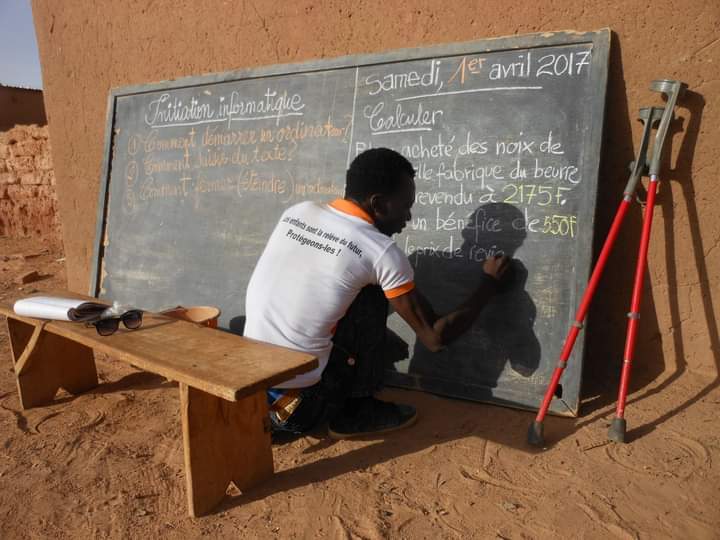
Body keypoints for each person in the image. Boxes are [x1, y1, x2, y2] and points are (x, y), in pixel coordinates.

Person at [244, 148, 509, 439]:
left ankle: (367, 358)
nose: (408, 217)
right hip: (297, 412)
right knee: (372, 293)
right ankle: (356, 411)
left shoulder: (298, 212)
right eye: (405, 206)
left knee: (352, 285)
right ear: (379, 204)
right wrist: (489, 284)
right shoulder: (380, 251)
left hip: (249, 391)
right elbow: (434, 337)